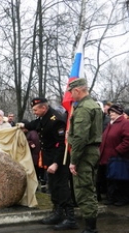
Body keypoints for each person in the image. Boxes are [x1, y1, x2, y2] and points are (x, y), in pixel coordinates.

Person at [21, 97, 77, 230]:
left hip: (59, 159)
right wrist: (22, 126)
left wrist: (56, 163)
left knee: (62, 188)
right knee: (53, 186)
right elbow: (36, 124)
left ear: (43, 108)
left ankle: (71, 219)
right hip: (49, 158)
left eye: (35, 110)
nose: (34, 112)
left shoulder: (56, 120)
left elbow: (62, 144)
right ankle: (57, 213)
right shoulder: (44, 117)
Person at [67, 78, 102, 233]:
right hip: (92, 151)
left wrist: (74, 161)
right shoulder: (93, 105)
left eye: (71, 92)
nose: (70, 95)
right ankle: (91, 226)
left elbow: (81, 138)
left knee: (84, 190)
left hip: (84, 153)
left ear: (77, 90)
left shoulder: (84, 108)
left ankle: (90, 229)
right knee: (89, 188)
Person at [99, 104, 129, 206]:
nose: (111, 113)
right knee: (110, 178)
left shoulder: (125, 123)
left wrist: (118, 151)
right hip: (108, 156)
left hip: (119, 157)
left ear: (119, 113)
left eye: (113, 112)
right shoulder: (111, 124)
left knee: (119, 179)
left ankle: (122, 198)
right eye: (110, 112)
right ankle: (111, 198)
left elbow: (127, 140)